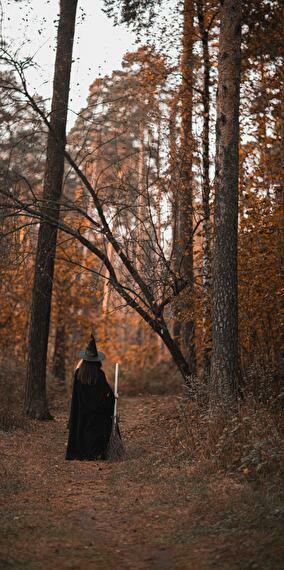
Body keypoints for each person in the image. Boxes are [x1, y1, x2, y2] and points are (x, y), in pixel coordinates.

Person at [66, 334, 115, 461]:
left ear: (84, 360)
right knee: (102, 419)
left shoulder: (78, 374)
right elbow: (106, 395)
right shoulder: (99, 375)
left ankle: (82, 451)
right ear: (96, 360)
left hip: (81, 413)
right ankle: (96, 452)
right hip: (97, 415)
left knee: (86, 423)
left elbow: (76, 396)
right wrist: (113, 397)